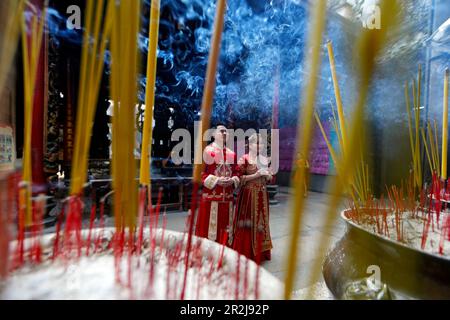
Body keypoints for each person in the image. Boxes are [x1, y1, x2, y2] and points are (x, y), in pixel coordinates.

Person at [230, 133, 273, 262]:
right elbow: (239, 178)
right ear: (250, 144)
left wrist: (268, 176)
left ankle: (261, 251)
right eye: (257, 143)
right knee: (249, 223)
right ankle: (247, 251)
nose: (260, 146)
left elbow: (270, 178)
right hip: (248, 196)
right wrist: (256, 174)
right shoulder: (244, 159)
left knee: (261, 222)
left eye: (262, 143)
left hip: (262, 194)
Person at [195, 125, 240, 243]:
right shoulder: (207, 151)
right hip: (211, 198)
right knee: (209, 230)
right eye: (221, 131)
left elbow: (237, 172)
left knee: (226, 229)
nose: (225, 133)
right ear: (213, 134)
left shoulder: (232, 154)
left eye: (226, 132)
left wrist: (233, 180)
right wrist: (216, 180)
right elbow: (199, 172)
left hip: (228, 199)